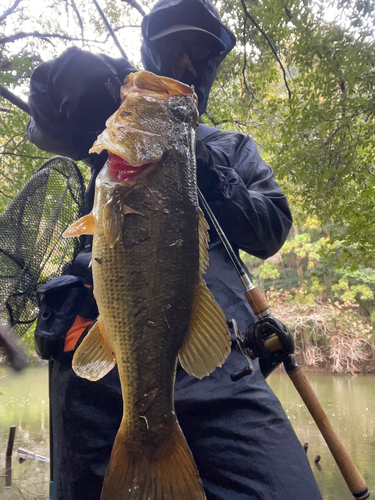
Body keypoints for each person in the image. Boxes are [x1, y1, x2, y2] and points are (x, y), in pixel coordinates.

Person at [25, 0, 323, 498]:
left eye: (202, 54)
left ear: (214, 68)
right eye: (173, 47)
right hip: (106, 366)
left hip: (219, 365)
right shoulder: (114, 125)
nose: (187, 62)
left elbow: (271, 228)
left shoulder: (232, 147)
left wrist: (198, 156)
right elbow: (44, 124)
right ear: (147, 53)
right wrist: (60, 81)